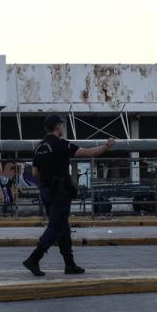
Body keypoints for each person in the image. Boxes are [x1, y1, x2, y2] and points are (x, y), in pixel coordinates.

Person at [22, 115, 116, 276]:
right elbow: (87, 153)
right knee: (56, 226)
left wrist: (47, 182)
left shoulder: (39, 147)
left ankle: (69, 264)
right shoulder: (61, 144)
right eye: (61, 125)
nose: (62, 128)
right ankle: (34, 259)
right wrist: (107, 145)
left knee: (63, 228)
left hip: (46, 191)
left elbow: (35, 173)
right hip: (60, 192)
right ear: (57, 127)